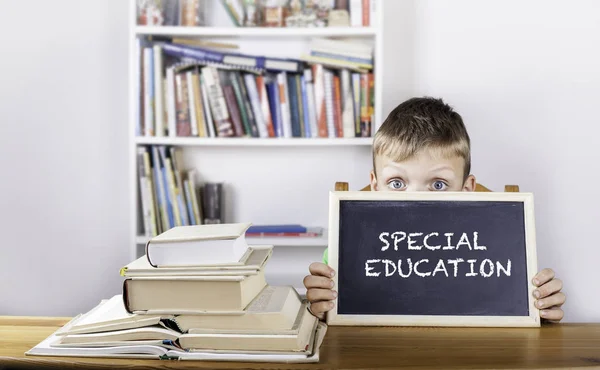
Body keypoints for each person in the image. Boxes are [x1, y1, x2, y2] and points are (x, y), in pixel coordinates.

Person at [303, 97, 566, 322]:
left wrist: (539, 306)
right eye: (397, 183)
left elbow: (510, 309)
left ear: (466, 188)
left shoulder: (494, 244)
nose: (416, 201)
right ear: (374, 185)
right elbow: (329, 320)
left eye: (438, 184)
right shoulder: (349, 248)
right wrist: (321, 308)